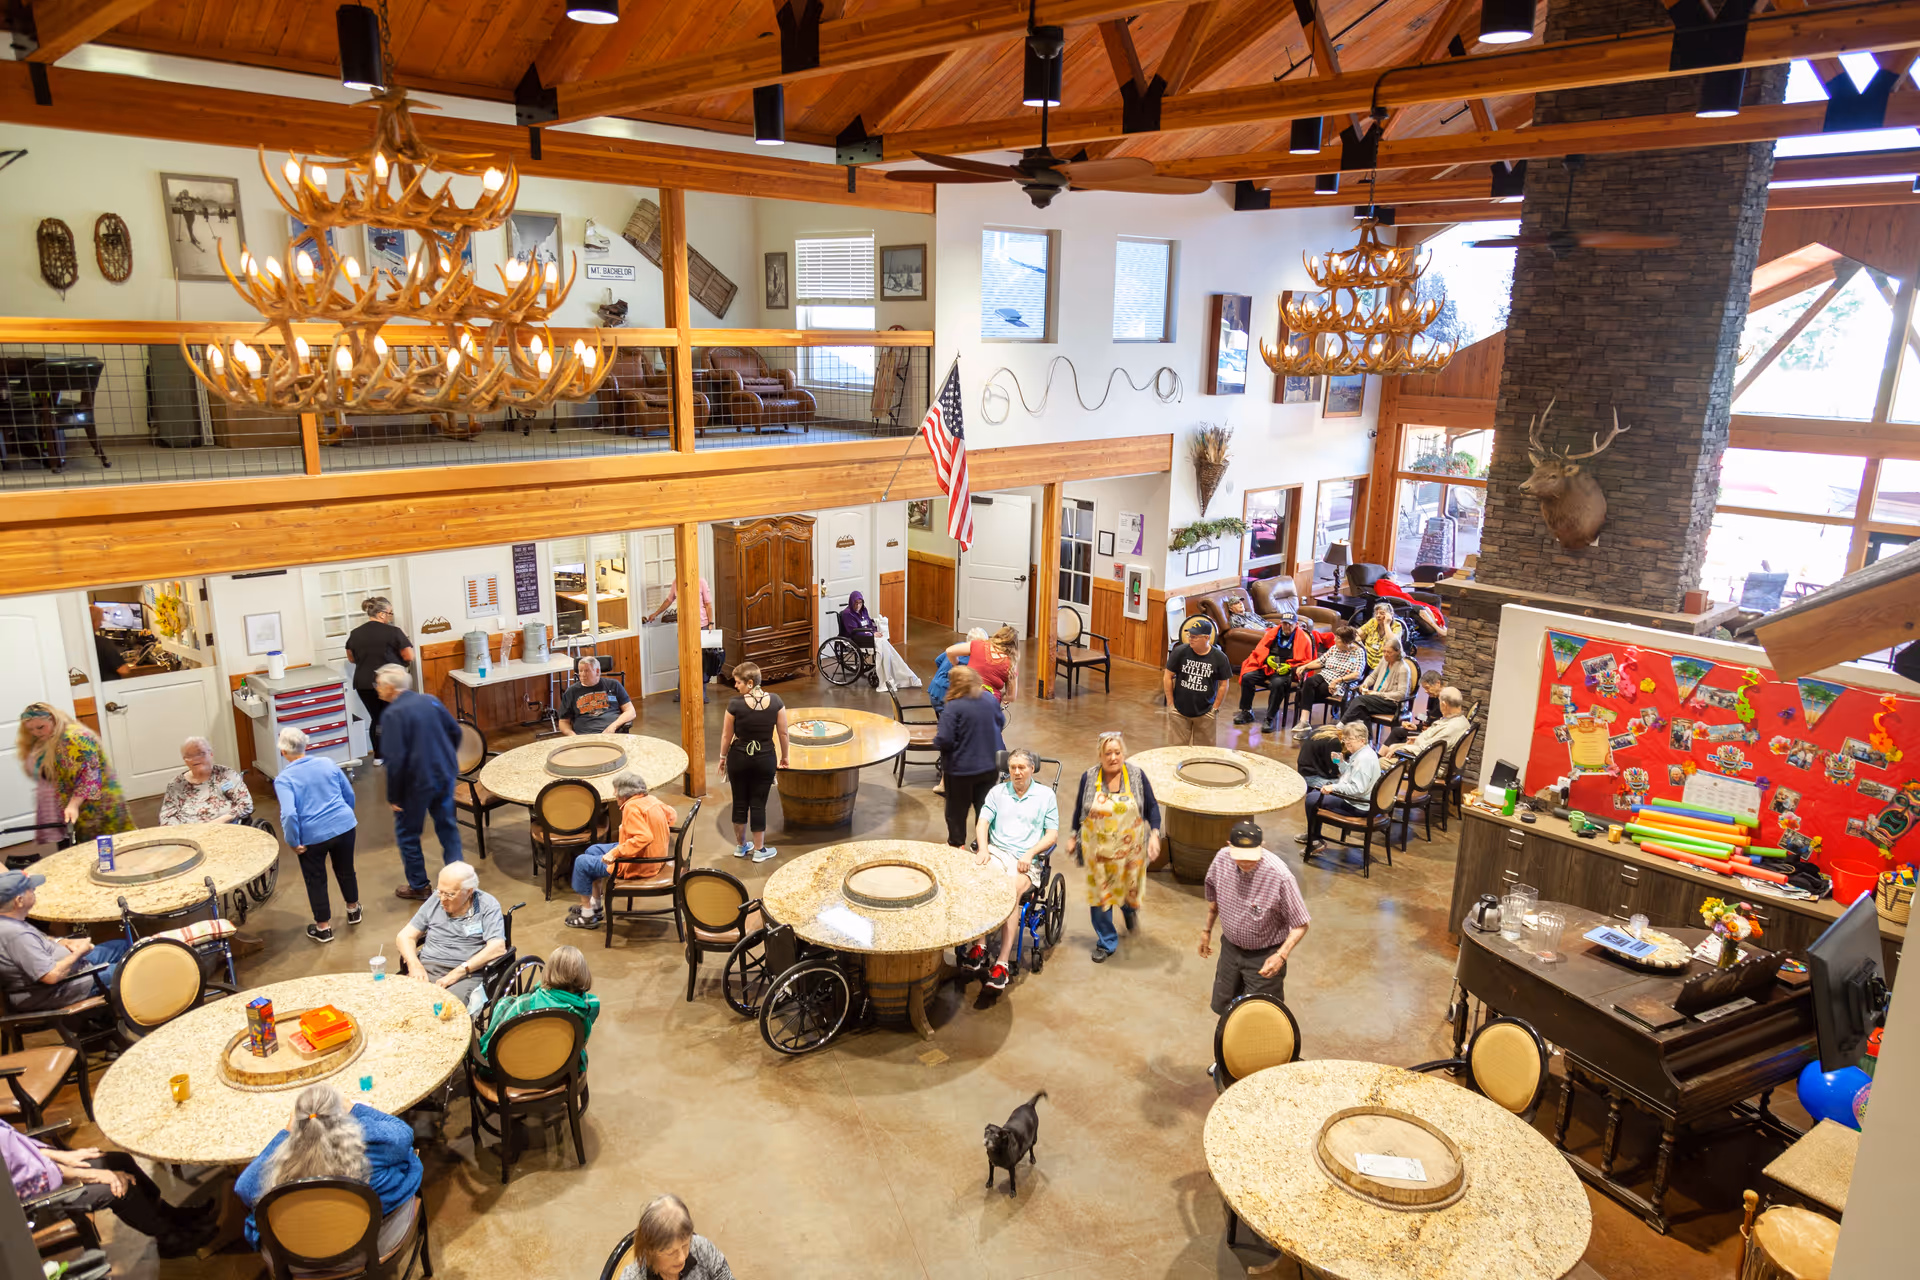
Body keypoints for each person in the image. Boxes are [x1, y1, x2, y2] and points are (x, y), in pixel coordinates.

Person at [234, 1084, 422, 1255]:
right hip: (368, 1248)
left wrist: (286, 1133)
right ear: (343, 1123)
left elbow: (244, 1187)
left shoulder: (284, 1163)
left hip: (299, 1258)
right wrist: (354, 1109)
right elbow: (402, 1133)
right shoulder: (372, 1149)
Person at [2, 1120, 216, 1258]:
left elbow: (15, 1146)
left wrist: (63, 1156)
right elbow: (24, 1175)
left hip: (40, 1169)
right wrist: (88, 1174)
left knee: (118, 1161)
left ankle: (167, 1213)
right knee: (119, 1189)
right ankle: (167, 1238)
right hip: (29, 1196)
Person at [1061, 732, 1161, 963]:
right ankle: (1106, 940)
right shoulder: (1089, 777)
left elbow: (1153, 808)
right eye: (1108, 753)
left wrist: (1154, 834)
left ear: (1123, 753)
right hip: (1098, 852)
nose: (1114, 757)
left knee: (1128, 890)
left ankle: (1128, 909)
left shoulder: (1136, 775)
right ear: (1100, 755)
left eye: (1118, 752)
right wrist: (1073, 835)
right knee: (1100, 897)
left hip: (1130, 851)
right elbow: (1080, 810)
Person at [1200, 821, 1311, 1026]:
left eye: (1251, 857)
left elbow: (1301, 924)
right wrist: (1206, 930)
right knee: (1225, 1008)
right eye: (1240, 856)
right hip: (1230, 950)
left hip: (1265, 956)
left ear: (1262, 846)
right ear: (1229, 846)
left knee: (1261, 1016)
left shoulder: (1279, 876)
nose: (1246, 863)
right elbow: (1214, 899)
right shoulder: (1221, 860)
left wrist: (1281, 955)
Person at [968, 749, 1058, 992]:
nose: (1017, 772)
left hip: (1026, 861)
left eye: (1022, 767)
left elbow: (1052, 834)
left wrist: (1030, 853)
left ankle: (1002, 963)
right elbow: (983, 822)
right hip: (998, 853)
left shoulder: (1046, 795)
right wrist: (983, 850)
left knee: (1010, 892)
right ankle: (980, 944)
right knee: (978, 881)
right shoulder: (998, 792)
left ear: (1032, 769)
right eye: (1013, 767)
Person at [375, 665, 463, 900]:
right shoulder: (431, 701)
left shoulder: (393, 715)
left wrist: (394, 796)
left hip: (414, 786)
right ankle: (458, 883)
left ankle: (419, 885)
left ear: (391, 688)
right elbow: (455, 732)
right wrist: (445, 759)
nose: (377, 689)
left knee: (408, 834)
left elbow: (395, 760)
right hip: (444, 776)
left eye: (379, 685)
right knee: (448, 828)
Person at [273, 726, 361, 945]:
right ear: (306, 745)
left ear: (283, 751)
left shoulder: (284, 779)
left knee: (316, 879)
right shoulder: (328, 764)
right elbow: (348, 794)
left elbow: (290, 814)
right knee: (346, 869)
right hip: (344, 826)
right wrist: (344, 818)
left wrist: (293, 841)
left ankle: (323, 928)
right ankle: (353, 910)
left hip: (312, 836)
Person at [0, 869, 129, 1012]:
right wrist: (79, 952)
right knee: (133, 967)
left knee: (122, 945)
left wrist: (63, 942)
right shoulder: (16, 935)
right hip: (58, 989)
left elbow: (41, 939)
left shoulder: (9, 920)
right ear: (19, 901)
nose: (35, 890)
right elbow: (51, 976)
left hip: (67, 969)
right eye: (31, 889)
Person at [568, 772, 675, 929]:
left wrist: (615, 853)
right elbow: (672, 815)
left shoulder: (631, 807)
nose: (614, 794)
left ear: (624, 795)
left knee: (581, 862)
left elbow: (644, 838)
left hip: (639, 863)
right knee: (592, 850)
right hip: (653, 856)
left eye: (616, 790)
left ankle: (587, 915)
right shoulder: (651, 800)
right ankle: (596, 905)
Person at [16, 703, 132, 845]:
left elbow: (90, 776)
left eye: (40, 727)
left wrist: (73, 804)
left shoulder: (75, 738)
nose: (36, 733)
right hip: (80, 805)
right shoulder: (51, 738)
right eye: (31, 730)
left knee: (110, 847)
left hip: (98, 806)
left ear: (54, 720)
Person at [396, 861, 507, 1006]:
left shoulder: (487, 905)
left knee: (447, 1010)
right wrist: (413, 964)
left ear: (469, 891)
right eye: (440, 891)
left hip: (466, 975)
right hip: (426, 968)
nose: (442, 899)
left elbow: (498, 947)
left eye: (449, 894)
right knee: (399, 1003)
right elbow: (404, 936)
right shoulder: (436, 900)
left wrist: (457, 973)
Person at [480, 944, 599, 1072]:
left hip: (520, 1073)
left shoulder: (523, 1005)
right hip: (565, 1069)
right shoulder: (591, 1005)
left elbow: (493, 1046)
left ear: (549, 970)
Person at [716, 663, 788, 863]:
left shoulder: (734, 704)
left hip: (738, 757)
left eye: (738, 682)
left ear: (750, 682)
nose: (736, 686)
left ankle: (741, 847)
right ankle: (759, 850)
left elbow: (726, 735)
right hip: (765, 757)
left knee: (739, 801)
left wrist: (722, 758)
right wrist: (785, 756)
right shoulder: (776, 702)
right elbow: (783, 732)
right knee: (758, 803)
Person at [933, 665, 1005, 847]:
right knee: (984, 808)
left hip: (960, 771)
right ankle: (984, 846)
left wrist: (937, 742)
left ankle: (957, 844)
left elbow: (945, 739)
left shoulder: (953, 707)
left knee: (956, 811)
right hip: (990, 765)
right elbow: (1000, 722)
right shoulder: (989, 699)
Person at [344, 597, 413, 762]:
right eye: (389, 613)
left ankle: (379, 756)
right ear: (381, 614)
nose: (390, 617)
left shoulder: (356, 633)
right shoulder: (394, 632)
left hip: (365, 683)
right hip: (390, 683)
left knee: (378, 718)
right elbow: (409, 655)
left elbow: (351, 658)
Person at [1299, 721, 1383, 856]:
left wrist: (1334, 787)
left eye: (1350, 740)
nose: (1346, 744)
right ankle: (1313, 834)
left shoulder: (1363, 760)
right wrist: (1340, 763)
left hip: (1359, 806)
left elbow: (1357, 789)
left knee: (1311, 799)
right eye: (1345, 740)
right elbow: (1350, 774)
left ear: (1362, 740)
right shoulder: (1364, 752)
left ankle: (1315, 840)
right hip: (1359, 799)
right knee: (1315, 795)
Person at [615, 1193, 734, 1280]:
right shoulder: (633, 1277)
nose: (682, 1258)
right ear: (651, 1251)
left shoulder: (703, 1250)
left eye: (685, 1245)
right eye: (671, 1253)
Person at [1233, 615, 1317, 733]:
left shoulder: (1303, 638)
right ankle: (1246, 711)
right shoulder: (1273, 633)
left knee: (1277, 684)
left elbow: (1306, 662)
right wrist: (1267, 660)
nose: (1286, 627)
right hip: (1269, 665)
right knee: (1248, 677)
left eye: (1290, 624)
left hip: (1287, 669)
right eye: (1284, 623)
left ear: (1296, 624)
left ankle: (1269, 718)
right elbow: (1261, 649)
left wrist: (1290, 667)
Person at [644, 577, 723, 692]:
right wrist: (656, 614)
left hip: (702, 626)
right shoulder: (676, 582)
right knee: (684, 659)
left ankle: (702, 693)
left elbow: (708, 604)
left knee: (703, 661)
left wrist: (710, 623)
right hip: (684, 628)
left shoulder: (701, 582)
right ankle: (682, 692)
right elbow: (669, 600)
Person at [1163, 619, 1233, 747]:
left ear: (1206, 637)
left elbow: (1224, 684)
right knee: (1175, 751)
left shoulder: (1219, 658)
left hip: (1205, 713)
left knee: (1204, 753)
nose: (1191, 639)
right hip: (1179, 711)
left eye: (1195, 636)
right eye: (1190, 635)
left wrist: (1215, 709)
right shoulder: (1180, 652)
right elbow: (1168, 676)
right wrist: (1170, 704)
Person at [1288, 625, 1366, 738]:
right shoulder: (1334, 648)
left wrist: (1338, 680)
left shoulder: (1358, 652)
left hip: (1341, 683)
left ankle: (1304, 728)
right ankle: (1303, 722)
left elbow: (1357, 674)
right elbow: (1320, 662)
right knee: (1309, 682)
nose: (1334, 640)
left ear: (1346, 642)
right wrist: (1305, 666)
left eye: (1337, 639)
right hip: (1325, 676)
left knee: (1308, 692)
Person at [159, 735, 255, 826]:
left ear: (211, 754)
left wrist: (218, 822)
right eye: (189, 756)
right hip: (188, 832)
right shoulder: (176, 784)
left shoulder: (227, 775)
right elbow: (166, 816)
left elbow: (246, 804)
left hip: (222, 827)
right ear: (185, 760)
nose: (195, 759)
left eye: (200, 753)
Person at [1382, 686, 1471, 766]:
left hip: (1426, 764)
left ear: (1444, 705)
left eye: (1427, 687)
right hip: (1424, 750)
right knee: (1393, 746)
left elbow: (1427, 750)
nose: (1425, 691)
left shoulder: (1451, 728)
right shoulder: (1462, 720)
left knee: (1380, 763)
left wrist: (1403, 749)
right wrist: (1417, 733)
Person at [1341, 636, 1417, 724]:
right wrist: (1365, 684)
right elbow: (1373, 676)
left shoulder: (1403, 668)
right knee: (1360, 706)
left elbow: (1401, 694)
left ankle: (1342, 724)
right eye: (1384, 651)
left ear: (1398, 652)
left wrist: (1377, 694)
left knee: (1360, 700)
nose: (1385, 654)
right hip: (1378, 699)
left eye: (1389, 652)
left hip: (1393, 704)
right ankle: (1367, 736)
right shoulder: (1384, 660)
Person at [558, 656, 636, 736]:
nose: (583, 674)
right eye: (580, 671)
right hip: (584, 736)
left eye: (587, 671)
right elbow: (563, 721)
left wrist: (614, 726)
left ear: (597, 671)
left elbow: (630, 711)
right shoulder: (571, 692)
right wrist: (573, 736)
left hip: (612, 734)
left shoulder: (614, 685)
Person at [944, 624, 1018, 708]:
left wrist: (957, 665)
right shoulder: (1011, 663)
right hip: (988, 704)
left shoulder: (978, 644)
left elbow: (949, 651)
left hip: (965, 695)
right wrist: (1002, 695)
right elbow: (1011, 697)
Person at [1387, 669, 1447, 746]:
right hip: (1425, 730)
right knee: (1397, 731)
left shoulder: (1445, 702)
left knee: (1397, 733)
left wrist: (1426, 728)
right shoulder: (1433, 697)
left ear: (1437, 683)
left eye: (1427, 688)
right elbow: (1429, 717)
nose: (1425, 691)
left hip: (1430, 736)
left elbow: (1441, 723)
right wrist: (1415, 726)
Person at [1356, 601, 1407, 668]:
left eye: (1382, 613)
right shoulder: (1373, 622)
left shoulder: (1396, 626)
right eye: (1376, 613)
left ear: (1391, 614)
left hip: (1383, 663)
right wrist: (1358, 640)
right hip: (1366, 659)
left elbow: (1393, 642)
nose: (1378, 616)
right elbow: (1357, 633)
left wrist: (1386, 624)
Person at [90, 604, 132, 682]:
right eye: (100, 621)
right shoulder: (104, 643)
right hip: (110, 687)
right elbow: (123, 670)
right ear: (93, 622)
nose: (101, 624)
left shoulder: (78, 643)